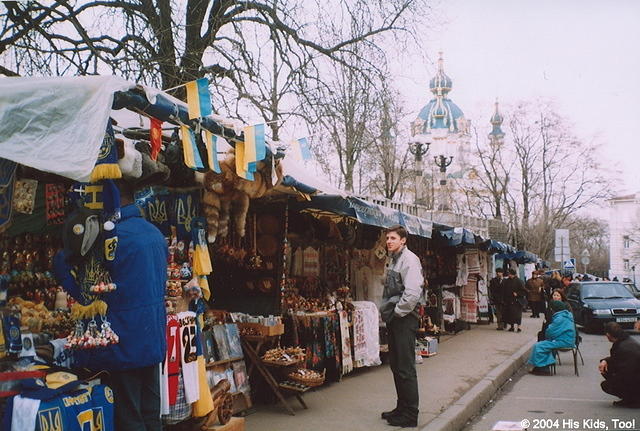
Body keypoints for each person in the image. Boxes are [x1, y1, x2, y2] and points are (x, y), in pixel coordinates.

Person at [54, 179, 168, 430]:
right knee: (150, 412)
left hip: (123, 340)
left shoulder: (111, 238)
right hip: (153, 338)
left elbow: (87, 293)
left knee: (128, 416)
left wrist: (63, 266)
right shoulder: (154, 233)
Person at [379, 225, 424, 428]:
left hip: (404, 319)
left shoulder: (409, 260)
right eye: (387, 238)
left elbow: (413, 292)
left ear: (403, 240)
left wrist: (397, 312)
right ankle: (401, 407)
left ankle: (411, 414)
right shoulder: (394, 259)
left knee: (405, 367)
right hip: (395, 318)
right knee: (396, 365)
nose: (389, 241)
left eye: (393, 238)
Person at [527, 300, 576, 375]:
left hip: (563, 341)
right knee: (543, 344)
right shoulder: (566, 316)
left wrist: (549, 331)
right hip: (567, 340)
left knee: (539, 346)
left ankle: (543, 367)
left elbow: (550, 332)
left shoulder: (559, 318)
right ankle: (540, 366)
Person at [598, 322, 640, 407]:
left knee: (606, 383)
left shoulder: (621, 347)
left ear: (608, 335)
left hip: (634, 380)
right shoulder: (627, 341)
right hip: (634, 376)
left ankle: (632, 399)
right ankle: (631, 398)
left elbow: (626, 374)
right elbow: (616, 359)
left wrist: (610, 376)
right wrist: (605, 361)